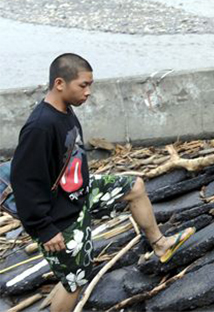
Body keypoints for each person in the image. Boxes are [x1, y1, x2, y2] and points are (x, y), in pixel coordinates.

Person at [10, 53, 195, 312]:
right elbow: (24, 181)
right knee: (75, 280)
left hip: (81, 193)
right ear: (60, 83)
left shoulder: (65, 111)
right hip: (59, 215)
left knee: (135, 188)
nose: (88, 92)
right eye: (83, 85)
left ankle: (161, 244)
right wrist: (43, 228)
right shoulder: (40, 126)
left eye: (90, 85)